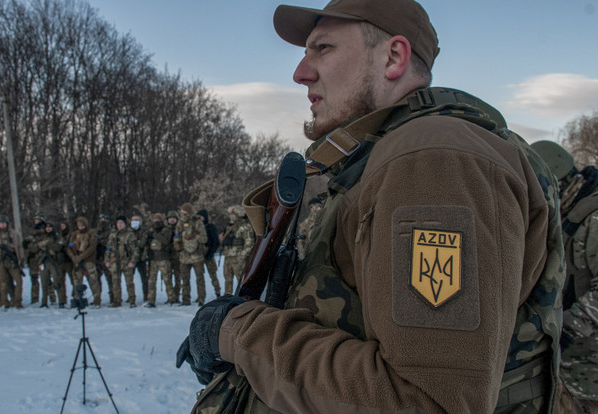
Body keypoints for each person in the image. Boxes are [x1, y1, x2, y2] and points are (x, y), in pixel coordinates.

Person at [176, 1, 566, 412]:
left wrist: (236, 333)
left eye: (322, 49)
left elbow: (426, 401)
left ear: (394, 57)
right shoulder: (384, 159)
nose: (300, 73)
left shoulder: (433, 159)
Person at [532, 140, 598, 413]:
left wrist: (567, 329)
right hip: (571, 365)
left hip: (589, 369)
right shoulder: (567, 212)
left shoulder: (593, 219)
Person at [0, 215, 25, 309]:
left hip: (12, 260)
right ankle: (4, 302)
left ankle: (17, 301)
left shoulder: (14, 234)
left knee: (19, 281)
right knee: (3, 283)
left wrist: (22, 259)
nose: (2, 225)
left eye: (4, 223)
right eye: (1, 223)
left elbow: (19, 247)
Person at [173, 203, 208, 306]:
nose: (183, 215)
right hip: (184, 256)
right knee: (184, 279)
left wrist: (194, 236)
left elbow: (204, 239)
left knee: (200, 278)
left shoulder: (198, 223)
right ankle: (186, 299)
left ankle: (201, 298)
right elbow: (177, 235)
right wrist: (177, 242)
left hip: (197, 256)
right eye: (182, 213)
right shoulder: (180, 223)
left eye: (185, 213)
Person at [219, 205, 255, 296]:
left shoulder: (245, 226)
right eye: (230, 214)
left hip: (238, 259)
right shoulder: (230, 226)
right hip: (228, 257)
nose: (231, 216)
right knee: (227, 279)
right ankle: (227, 297)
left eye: (233, 214)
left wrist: (242, 256)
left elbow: (250, 243)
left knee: (241, 281)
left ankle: (243, 299)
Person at [66, 216, 101, 307]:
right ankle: (78, 299)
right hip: (76, 260)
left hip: (89, 260)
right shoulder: (74, 234)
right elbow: (69, 246)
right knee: (77, 280)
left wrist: (81, 256)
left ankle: (97, 299)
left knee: (93, 280)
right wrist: (73, 257)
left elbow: (92, 248)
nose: (80, 227)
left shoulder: (91, 233)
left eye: (82, 225)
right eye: (79, 225)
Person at [104, 216, 139, 308]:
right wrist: (107, 261)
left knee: (129, 283)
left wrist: (132, 261)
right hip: (115, 262)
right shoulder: (113, 235)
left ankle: (132, 300)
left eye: (121, 223)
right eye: (118, 223)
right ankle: (117, 301)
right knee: (115, 282)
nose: (119, 225)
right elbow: (108, 248)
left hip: (126, 261)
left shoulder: (129, 235)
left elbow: (135, 250)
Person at [144, 213, 174, 307]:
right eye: (155, 221)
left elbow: (166, 241)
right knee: (151, 281)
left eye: (158, 221)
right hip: (153, 259)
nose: (156, 223)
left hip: (164, 258)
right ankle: (151, 300)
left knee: (167, 280)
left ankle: (171, 298)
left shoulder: (166, 230)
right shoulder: (150, 230)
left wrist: (155, 235)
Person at [197, 209, 221, 297]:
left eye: (201, 216)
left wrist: (210, 254)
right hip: (199, 255)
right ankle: (201, 295)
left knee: (213, 274)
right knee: (199, 277)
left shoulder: (210, 227)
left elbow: (216, 242)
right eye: (198, 217)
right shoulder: (196, 228)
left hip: (209, 254)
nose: (200, 218)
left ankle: (217, 291)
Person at [130, 214, 149, 300]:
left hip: (142, 258)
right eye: (133, 220)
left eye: (136, 220)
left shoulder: (144, 232)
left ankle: (146, 295)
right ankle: (131, 296)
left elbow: (144, 244)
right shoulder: (128, 232)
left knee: (144, 279)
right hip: (131, 258)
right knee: (129, 279)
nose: (134, 222)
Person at [166, 210, 182, 304]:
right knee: (168, 278)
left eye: (173, 218)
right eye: (170, 218)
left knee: (178, 278)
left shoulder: (179, 228)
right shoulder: (165, 229)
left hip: (177, 257)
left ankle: (177, 295)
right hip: (168, 257)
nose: (172, 220)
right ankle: (170, 296)